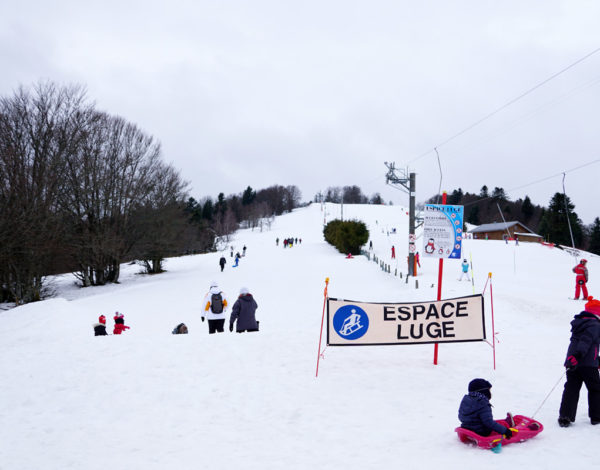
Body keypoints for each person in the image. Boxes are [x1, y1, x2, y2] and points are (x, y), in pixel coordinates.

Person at [558, 297, 600, 427]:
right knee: (595, 389)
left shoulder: (580, 323)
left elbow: (583, 342)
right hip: (586, 363)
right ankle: (596, 417)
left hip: (573, 362)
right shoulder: (595, 325)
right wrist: (579, 355)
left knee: (571, 387)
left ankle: (565, 416)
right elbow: (586, 341)